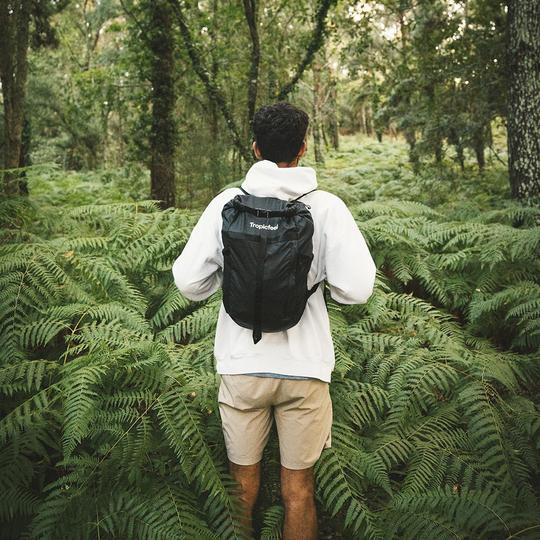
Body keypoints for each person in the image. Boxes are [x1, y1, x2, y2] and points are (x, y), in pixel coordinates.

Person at [172, 102, 377, 539]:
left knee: (241, 487)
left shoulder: (227, 204)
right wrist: (319, 288)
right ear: (304, 148)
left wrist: (228, 281)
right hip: (305, 368)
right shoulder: (326, 208)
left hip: (241, 365)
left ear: (254, 148)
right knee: (299, 490)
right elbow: (357, 289)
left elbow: (189, 282)